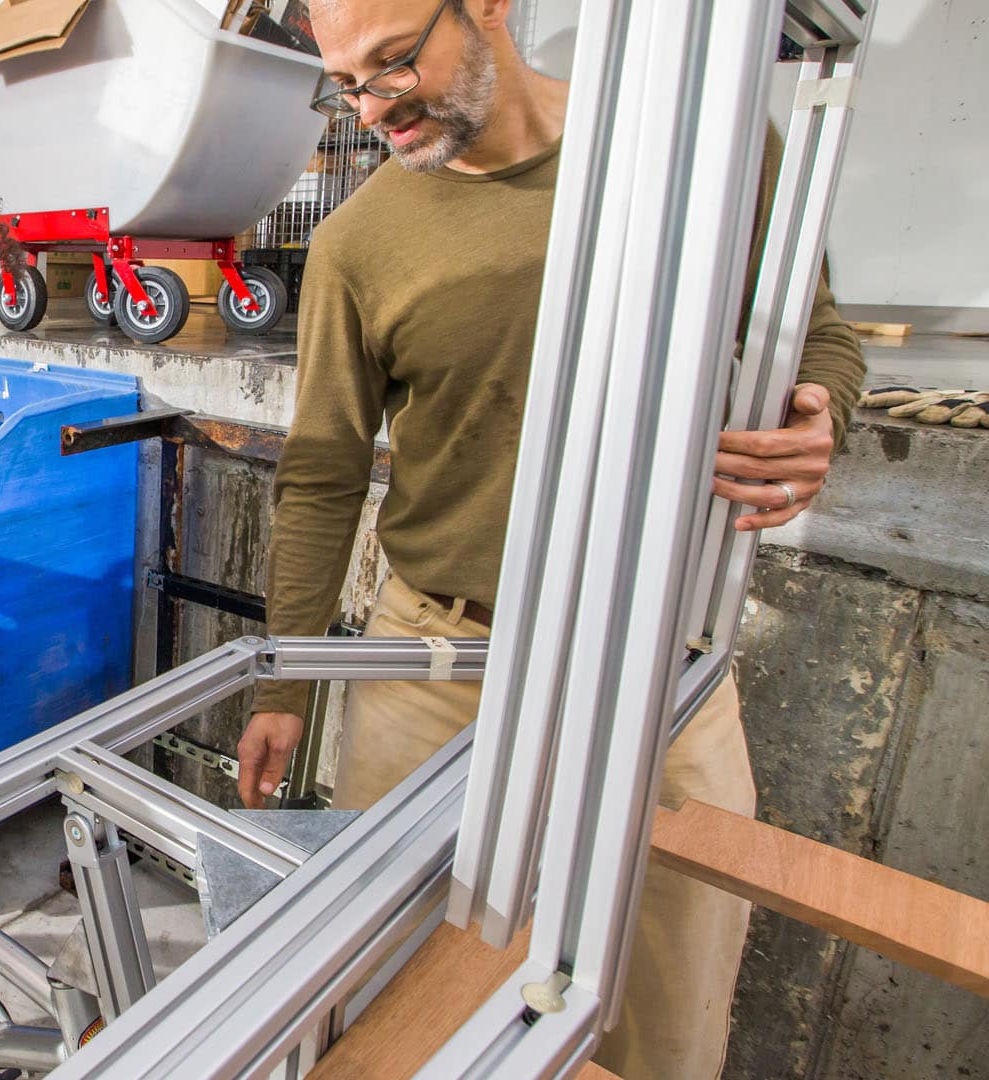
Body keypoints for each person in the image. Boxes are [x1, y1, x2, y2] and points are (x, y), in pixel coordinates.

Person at [232, 2, 866, 1076]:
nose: (372, 110)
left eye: (394, 64)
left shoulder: (695, 146)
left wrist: (820, 414)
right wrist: (285, 683)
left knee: (663, 1005)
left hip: (656, 663)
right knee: (397, 1005)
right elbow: (325, 471)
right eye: (344, 85)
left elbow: (817, 333)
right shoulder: (357, 243)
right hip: (435, 661)